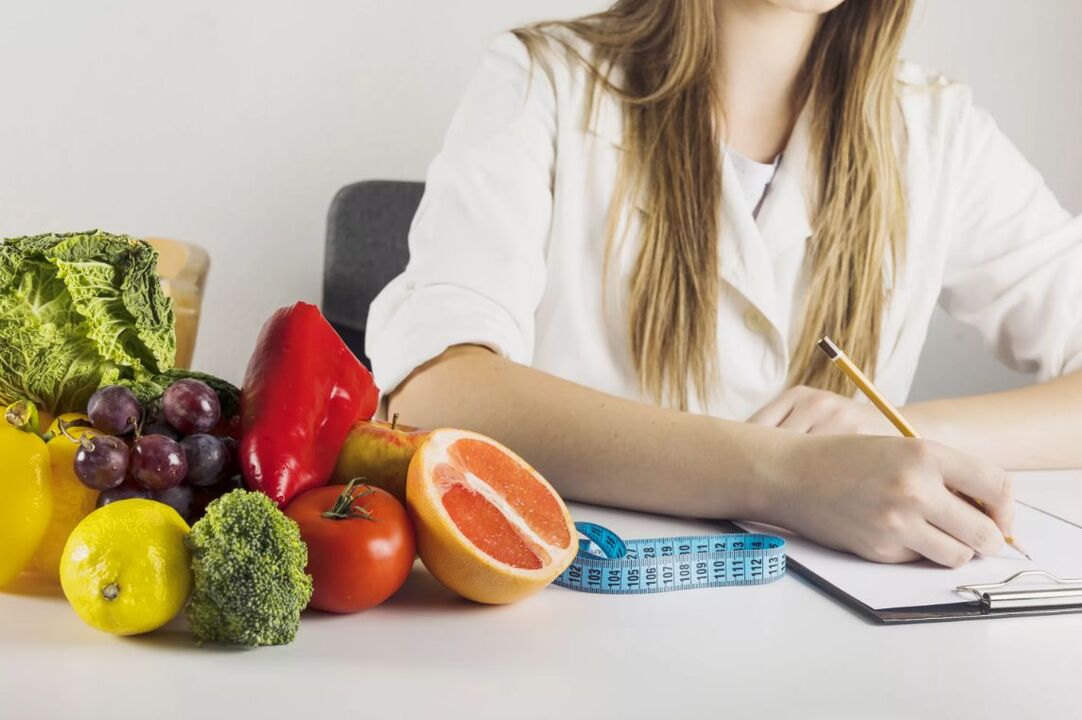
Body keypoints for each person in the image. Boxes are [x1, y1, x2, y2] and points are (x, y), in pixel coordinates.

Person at [366, 0, 1082, 567]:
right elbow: (434, 389)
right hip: (579, 620)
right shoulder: (542, 79)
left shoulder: (936, 129)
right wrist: (786, 475)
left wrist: (900, 441)